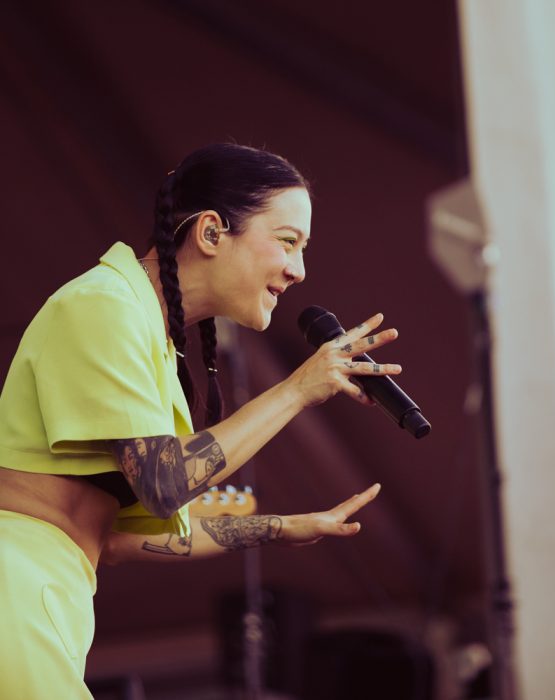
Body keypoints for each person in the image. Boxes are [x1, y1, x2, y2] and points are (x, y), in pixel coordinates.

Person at [0, 143, 402, 698]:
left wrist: (279, 528)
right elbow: (165, 482)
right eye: (287, 241)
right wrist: (297, 390)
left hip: (49, 592)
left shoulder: (145, 330)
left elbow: (115, 539)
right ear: (211, 233)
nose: (299, 270)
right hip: (17, 583)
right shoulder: (104, 305)